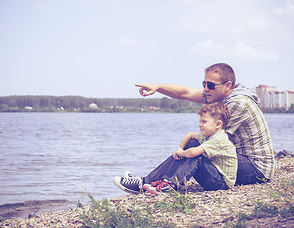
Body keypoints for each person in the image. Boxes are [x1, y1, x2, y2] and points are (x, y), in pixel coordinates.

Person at [113, 63, 276, 194]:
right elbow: (186, 93)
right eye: (204, 84)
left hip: (257, 170)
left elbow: (208, 140)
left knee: (195, 147)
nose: (205, 89)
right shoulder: (221, 95)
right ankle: (150, 182)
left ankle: (146, 183)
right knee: (194, 143)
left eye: (210, 85)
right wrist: (158, 87)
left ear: (227, 85)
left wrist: (185, 149)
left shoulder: (238, 103)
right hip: (239, 159)